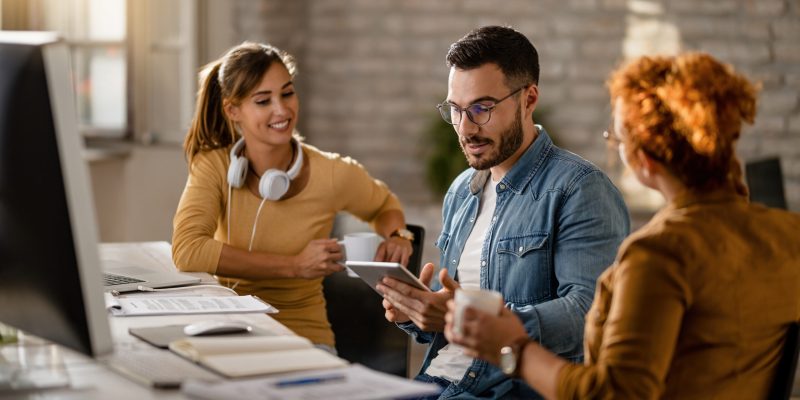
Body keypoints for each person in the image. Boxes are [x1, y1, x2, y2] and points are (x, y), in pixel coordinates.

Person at [444, 52, 800, 399]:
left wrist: (514, 348)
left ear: (643, 158)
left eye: (617, 138)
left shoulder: (658, 254)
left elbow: (614, 393)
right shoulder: (788, 233)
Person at [377, 26, 630, 399]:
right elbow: (453, 309)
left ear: (529, 99)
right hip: (438, 381)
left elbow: (590, 314)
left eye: (482, 108)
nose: (465, 128)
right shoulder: (462, 190)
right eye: (456, 110)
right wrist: (417, 311)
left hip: (506, 390)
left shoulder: (579, 188)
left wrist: (464, 316)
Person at [172, 42, 414, 350]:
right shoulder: (215, 166)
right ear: (233, 110)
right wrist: (293, 266)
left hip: (305, 336)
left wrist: (398, 235)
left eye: (287, 93)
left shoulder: (332, 172)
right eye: (263, 100)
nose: (282, 110)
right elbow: (188, 250)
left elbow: (384, 205)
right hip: (229, 329)